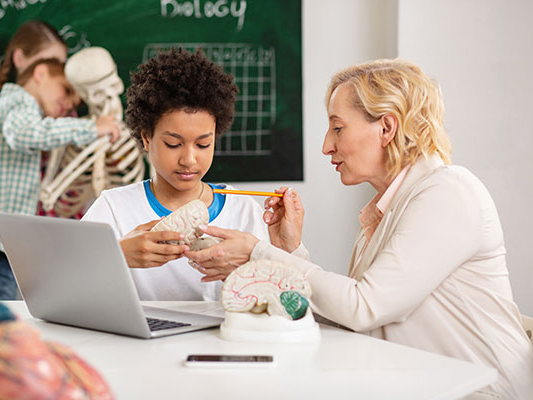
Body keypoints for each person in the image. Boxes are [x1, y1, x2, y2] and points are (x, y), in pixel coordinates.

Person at [185, 59, 533, 398]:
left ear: (386, 128)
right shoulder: (385, 210)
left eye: (337, 127)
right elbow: (350, 325)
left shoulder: (449, 192)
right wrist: (289, 251)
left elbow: (363, 307)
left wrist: (259, 253)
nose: (326, 145)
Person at [82, 48, 269, 301]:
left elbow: (281, 296)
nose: (189, 160)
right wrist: (117, 254)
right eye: (173, 144)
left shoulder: (243, 209)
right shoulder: (113, 208)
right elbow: (60, 283)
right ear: (147, 138)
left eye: (203, 144)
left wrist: (254, 268)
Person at [0, 58, 121, 300]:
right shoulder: (20, 103)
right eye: (66, 90)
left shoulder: (8, 107)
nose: (67, 104)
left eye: (73, 103)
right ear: (40, 73)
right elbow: (23, 134)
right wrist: (91, 128)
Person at [0, 20, 71, 148]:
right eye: (50, 62)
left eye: (61, 65)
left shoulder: (64, 112)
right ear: (19, 58)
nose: (57, 71)